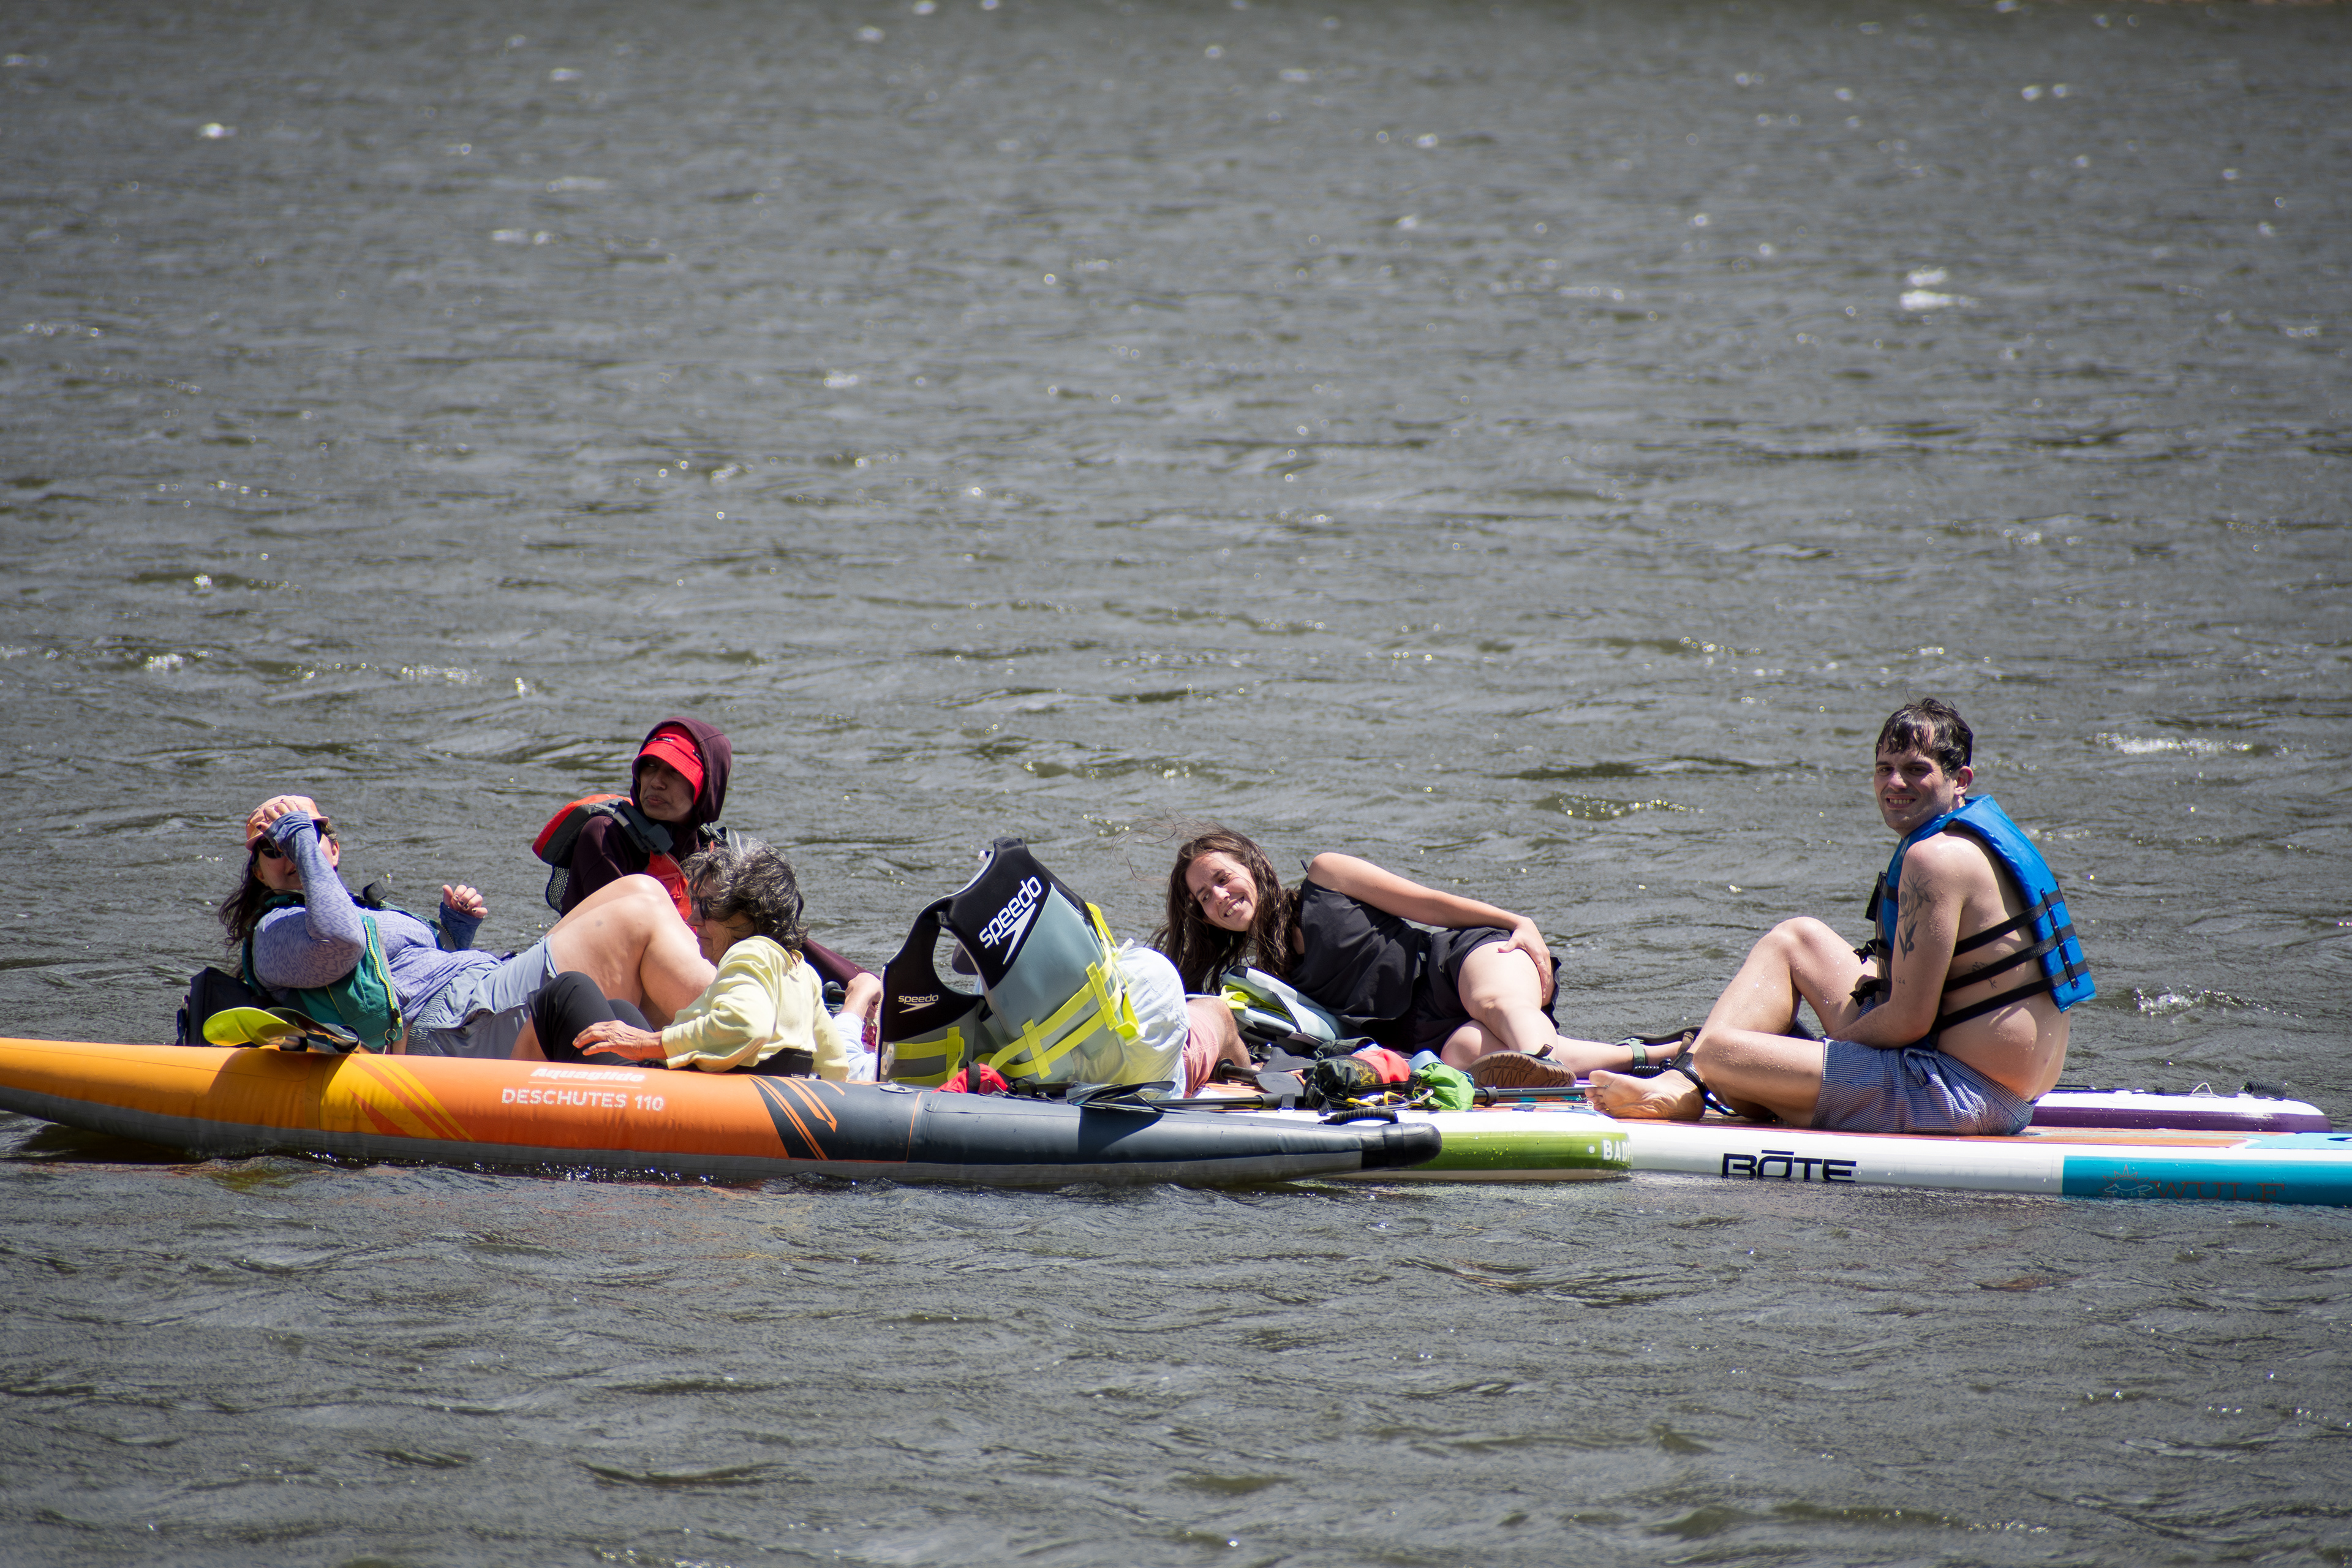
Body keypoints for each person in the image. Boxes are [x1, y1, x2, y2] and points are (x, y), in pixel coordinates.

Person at [1587, 699, 2094, 1134]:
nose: (1895, 783)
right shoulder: (1973, 840)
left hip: (1955, 1095)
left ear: (1960, 780)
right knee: (1796, 939)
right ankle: (1686, 1085)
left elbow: (1911, 1019)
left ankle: (1697, 1081)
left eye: (1916, 769)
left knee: (1721, 1053)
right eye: (1884, 768)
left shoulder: (1934, 859)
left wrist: (1827, 1052)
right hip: (1989, 1084)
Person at [227, 794, 715, 1057]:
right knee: (639, 917)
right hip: (447, 1032)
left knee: (639, 890)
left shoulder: (355, 907)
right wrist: (302, 842)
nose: (292, 855)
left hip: (470, 1002)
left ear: (333, 849)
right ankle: (747, 1028)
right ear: (257, 870)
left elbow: (389, 971)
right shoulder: (274, 932)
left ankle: (719, 1032)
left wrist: (453, 938)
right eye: (276, 848)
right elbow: (339, 942)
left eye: (306, 840)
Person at [1156, 829, 1634, 1079]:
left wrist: (1516, 922)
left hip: (1459, 963)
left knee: (1494, 1006)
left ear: (1253, 864)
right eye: (1203, 897)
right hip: (1430, 1036)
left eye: (1222, 878)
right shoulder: (1268, 982)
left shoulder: (1327, 877)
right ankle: (1660, 1053)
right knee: (1464, 1052)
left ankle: (1545, 1078)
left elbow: (1426, 903)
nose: (1218, 896)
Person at [535, 715, 881, 1030]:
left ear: (706, 787)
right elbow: (624, 943)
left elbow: (778, 935)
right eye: (649, 767)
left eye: (673, 772)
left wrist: (858, 980)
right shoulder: (604, 835)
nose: (656, 782)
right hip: (614, 996)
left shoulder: (716, 852)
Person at [534, 841, 854, 1078]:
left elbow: (746, 1027)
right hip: (753, 1096)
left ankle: (506, 1092)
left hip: (686, 1104)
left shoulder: (749, 951)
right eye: (695, 904)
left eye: (709, 906)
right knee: (621, 1011)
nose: (693, 919)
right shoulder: (803, 972)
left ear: (751, 914)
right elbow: (836, 1066)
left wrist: (648, 1042)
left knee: (568, 992)